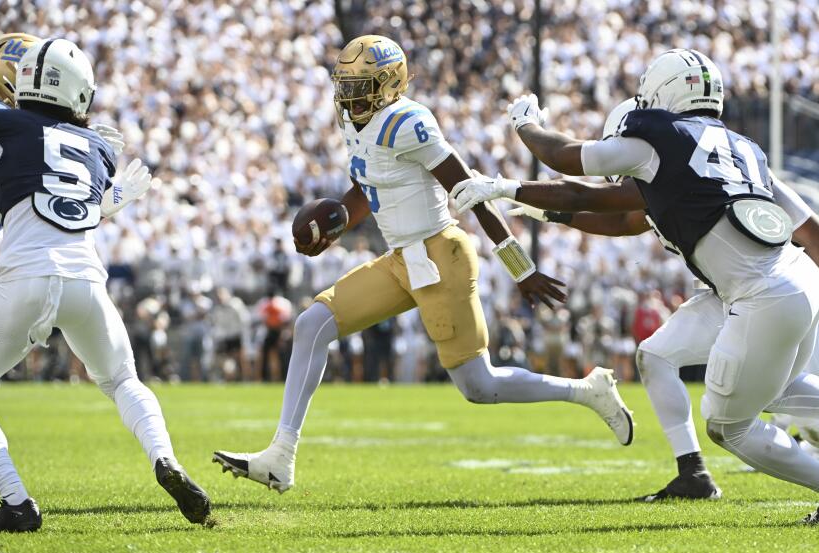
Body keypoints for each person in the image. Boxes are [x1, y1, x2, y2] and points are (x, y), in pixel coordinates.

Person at [212, 35, 634, 493]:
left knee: (478, 385)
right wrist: (337, 225)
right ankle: (281, 456)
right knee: (312, 323)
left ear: (389, 83)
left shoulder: (407, 122)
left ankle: (588, 390)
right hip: (400, 261)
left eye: (361, 84)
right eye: (346, 83)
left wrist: (521, 267)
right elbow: (367, 190)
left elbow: (471, 192)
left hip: (441, 256)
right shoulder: (356, 123)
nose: (349, 94)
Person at [452, 49, 819, 523]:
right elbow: (625, 215)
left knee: (730, 427)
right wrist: (539, 205)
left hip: (759, 294)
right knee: (717, 372)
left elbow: (569, 164)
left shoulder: (658, 139)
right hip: (789, 280)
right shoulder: (743, 150)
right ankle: (692, 474)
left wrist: (524, 130)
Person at [0, 38, 210, 532]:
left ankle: (17, 502)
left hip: (25, 279)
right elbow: (77, 197)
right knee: (124, 381)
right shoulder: (99, 147)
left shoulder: (1, 123)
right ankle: (165, 459)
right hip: (87, 282)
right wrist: (114, 197)